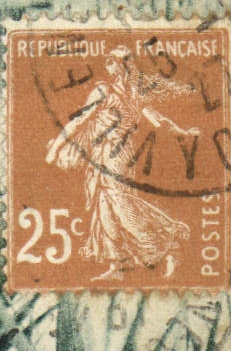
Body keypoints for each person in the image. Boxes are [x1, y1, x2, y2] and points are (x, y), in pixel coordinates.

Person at [44, 47, 201, 281]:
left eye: (118, 62)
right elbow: (80, 121)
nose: (115, 67)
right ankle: (119, 263)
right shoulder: (107, 91)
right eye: (115, 62)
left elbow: (157, 119)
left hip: (118, 153)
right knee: (104, 204)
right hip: (104, 152)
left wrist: (182, 130)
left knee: (118, 201)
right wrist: (56, 147)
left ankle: (166, 240)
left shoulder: (127, 93)